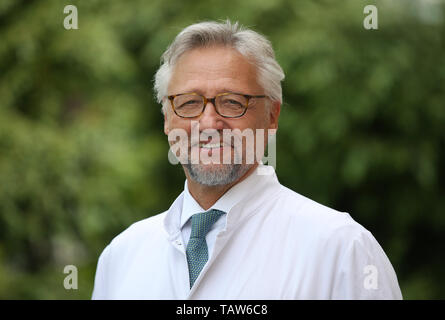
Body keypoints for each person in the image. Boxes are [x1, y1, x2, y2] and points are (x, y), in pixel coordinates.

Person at [92, 20, 402, 299]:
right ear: (167, 119)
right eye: (188, 103)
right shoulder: (121, 257)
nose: (209, 123)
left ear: (272, 115)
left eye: (232, 102)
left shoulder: (341, 249)